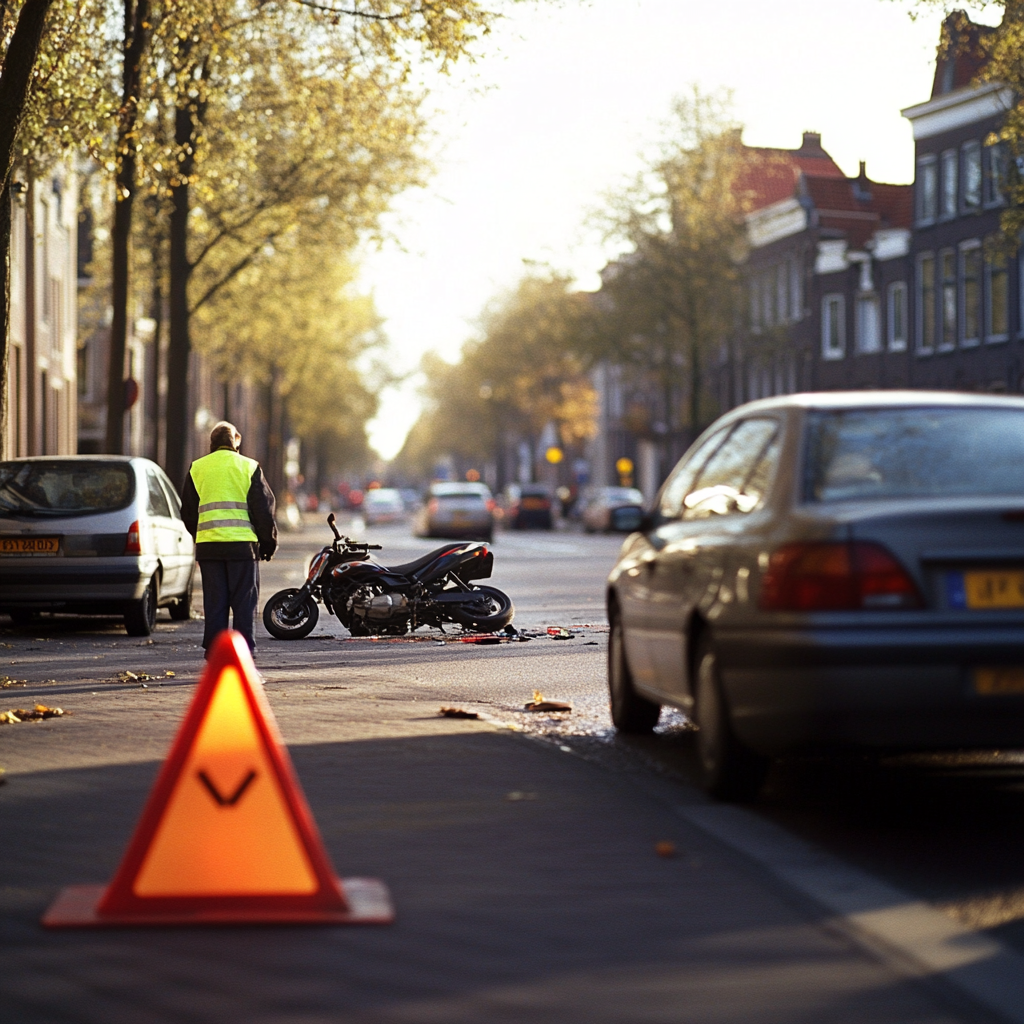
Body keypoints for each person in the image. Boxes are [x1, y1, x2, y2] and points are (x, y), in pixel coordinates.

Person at [181, 421, 277, 656]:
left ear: (211, 443)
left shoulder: (197, 468)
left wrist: (200, 536)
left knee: (215, 603)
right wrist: (267, 544)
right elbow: (263, 510)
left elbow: (188, 512)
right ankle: (243, 656)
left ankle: (215, 655)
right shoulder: (249, 467)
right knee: (244, 605)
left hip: (209, 549)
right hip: (242, 549)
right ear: (236, 442)